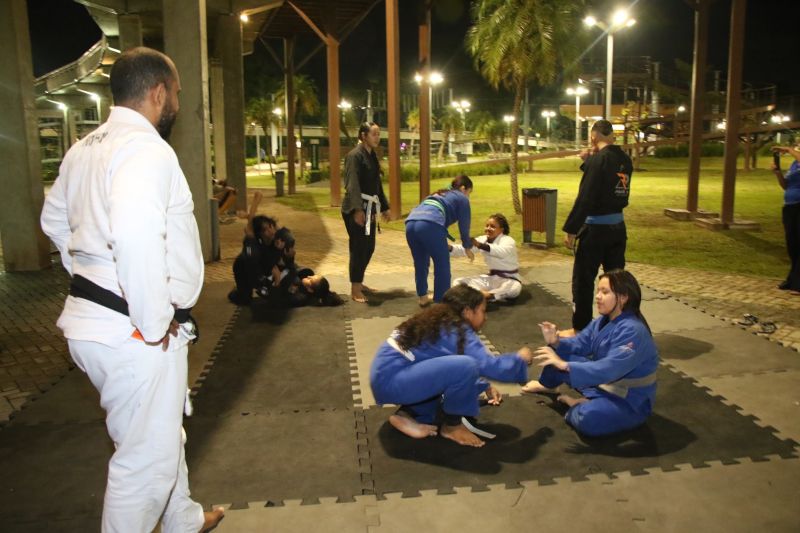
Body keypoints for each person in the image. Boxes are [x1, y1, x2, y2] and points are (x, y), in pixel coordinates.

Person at [40, 47, 223, 532]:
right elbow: (136, 234)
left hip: (99, 321)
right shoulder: (144, 149)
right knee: (144, 464)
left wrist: (89, 274)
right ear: (158, 93)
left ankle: (182, 520)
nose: (179, 103)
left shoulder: (85, 147)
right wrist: (152, 320)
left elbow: (54, 219)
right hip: (133, 330)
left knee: (156, 435)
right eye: (178, 93)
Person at [370, 285, 533, 447]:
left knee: (461, 371)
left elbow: (444, 364)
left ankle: (409, 414)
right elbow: (485, 365)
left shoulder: (439, 320)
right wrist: (519, 359)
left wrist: (484, 385)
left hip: (388, 376)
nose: (486, 317)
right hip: (392, 382)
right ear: (468, 312)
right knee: (467, 365)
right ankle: (453, 427)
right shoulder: (456, 330)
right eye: (483, 311)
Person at [521, 270, 658, 437]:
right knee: (556, 353)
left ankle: (579, 405)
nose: (598, 296)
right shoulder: (603, 320)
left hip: (628, 399)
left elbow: (609, 369)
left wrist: (564, 365)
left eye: (605, 292)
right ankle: (548, 385)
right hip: (603, 384)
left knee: (589, 419)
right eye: (598, 291)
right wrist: (556, 341)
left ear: (623, 297)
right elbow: (580, 344)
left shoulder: (633, 331)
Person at [563, 119, 633, 332]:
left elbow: (586, 197)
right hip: (618, 230)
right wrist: (589, 161)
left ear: (593, 136)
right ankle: (620, 326)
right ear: (611, 135)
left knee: (583, 282)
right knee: (616, 281)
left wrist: (571, 230)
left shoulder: (598, 160)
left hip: (595, 232)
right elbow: (607, 180)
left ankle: (581, 329)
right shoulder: (625, 159)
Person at [406, 175, 475, 306]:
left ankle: (423, 297)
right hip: (430, 225)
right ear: (463, 188)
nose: (468, 197)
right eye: (469, 193)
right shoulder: (461, 198)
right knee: (442, 264)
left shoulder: (439, 193)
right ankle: (440, 303)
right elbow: (464, 226)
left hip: (410, 224)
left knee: (420, 262)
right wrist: (467, 247)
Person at [341, 122, 390, 303]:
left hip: (369, 208)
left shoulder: (372, 156)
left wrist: (384, 207)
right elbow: (352, 184)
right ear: (363, 135)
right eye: (374, 134)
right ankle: (355, 288)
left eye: (379, 134)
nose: (377, 137)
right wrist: (357, 210)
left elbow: (376, 184)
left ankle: (359, 281)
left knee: (369, 247)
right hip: (356, 208)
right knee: (358, 247)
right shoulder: (354, 156)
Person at [450, 213, 522, 302]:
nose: (488, 228)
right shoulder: (483, 239)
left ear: (501, 230)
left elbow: (500, 252)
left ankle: (486, 295)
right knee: (458, 282)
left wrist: (480, 245)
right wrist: (450, 248)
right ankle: (484, 296)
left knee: (514, 289)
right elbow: (464, 249)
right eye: (487, 226)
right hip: (491, 278)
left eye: (492, 226)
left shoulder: (508, 241)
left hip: (509, 279)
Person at [228, 191, 280, 306]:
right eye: (265, 230)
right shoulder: (252, 240)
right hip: (243, 267)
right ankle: (237, 291)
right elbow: (251, 223)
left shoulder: (278, 237)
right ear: (260, 234)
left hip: (261, 267)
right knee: (244, 299)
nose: (270, 231)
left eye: (271, 227)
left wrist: (276, 268)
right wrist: (256, 201)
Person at [771, 145, 800, 292]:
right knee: (792, 244)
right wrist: (777, 172)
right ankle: (792, 279)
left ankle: (798, 283)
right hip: (790, 206)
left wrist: (789, 150)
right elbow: (786, 185)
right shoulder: (795, 164)